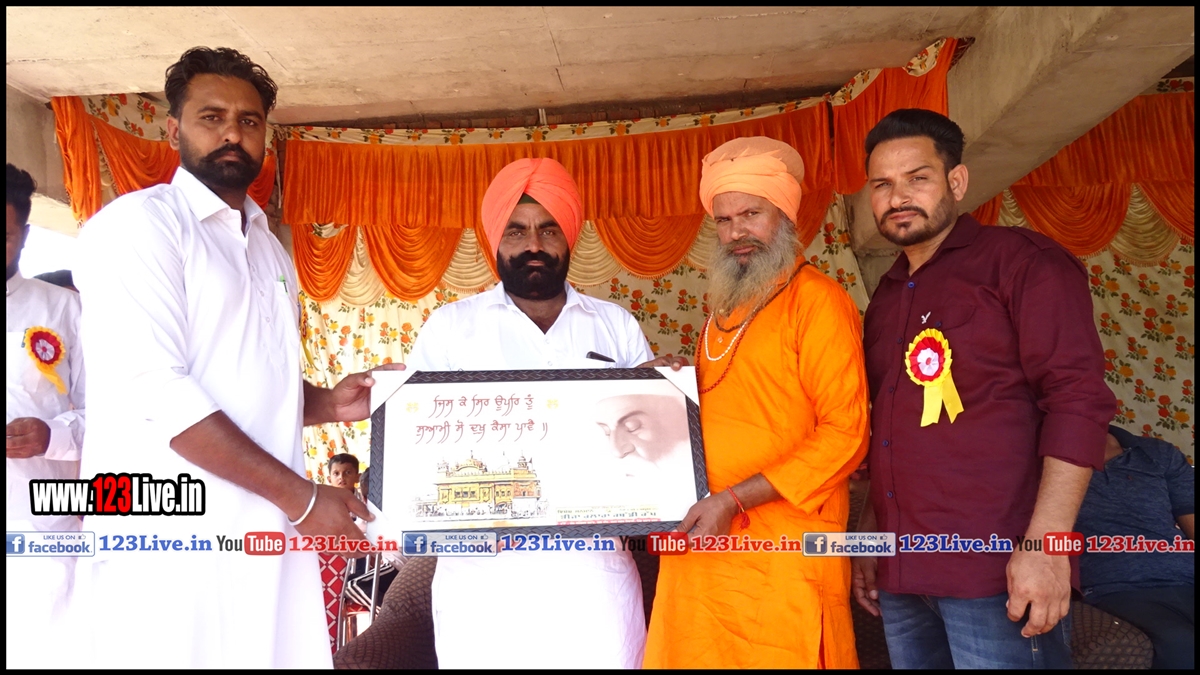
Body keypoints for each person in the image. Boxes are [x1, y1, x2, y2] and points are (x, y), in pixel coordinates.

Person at [69, 47, 397, 668]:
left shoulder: (267, 245)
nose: (231, 134)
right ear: (173, 130)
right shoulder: (139, 227)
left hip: (263, 534)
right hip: (169, 539)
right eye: (211, 117)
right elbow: (157, 392)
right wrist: (303, 500)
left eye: (248, 121)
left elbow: (253, 378)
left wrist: (328, 404)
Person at [851, 109, 1117, 669]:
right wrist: (869, 539)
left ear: (957, 181)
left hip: (998, 570)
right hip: (903, 571)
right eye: (882, 184)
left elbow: (1077, 401)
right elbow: (888, 429)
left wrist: (1047, 548)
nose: (898, 197)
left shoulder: (1021, 262)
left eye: (917, 178)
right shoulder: (886, 298)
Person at [406, 156, 684, 668]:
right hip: (481, 594)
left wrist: (665, 394)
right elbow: (417, 454)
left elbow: (652, 451)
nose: (533, 244)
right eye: (517, 230)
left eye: (548, 229)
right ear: (496, 239)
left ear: (569, 237)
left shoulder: (615, 326)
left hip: (593, 587)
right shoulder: (449, 329)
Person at [643, 137, 870, 668]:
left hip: (784, 552)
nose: (736, 232)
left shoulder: (818, 301)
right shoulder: (721, 313)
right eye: (724, 220)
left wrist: (735, 500)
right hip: (706, 548)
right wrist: (669, 387)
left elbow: (846, 434)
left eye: (751, 214)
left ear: (784, 216)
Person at [6, 163, 86, 669]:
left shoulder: (64, 312)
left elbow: (117, 417)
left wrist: (52, 435)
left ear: (25, 235)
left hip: (41, 534)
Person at [1076, 425, 1194, 669]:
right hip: (1115, 587)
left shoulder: (1158, 453)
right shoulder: (1033, 460)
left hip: (1185, 577)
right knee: (1182, 645)